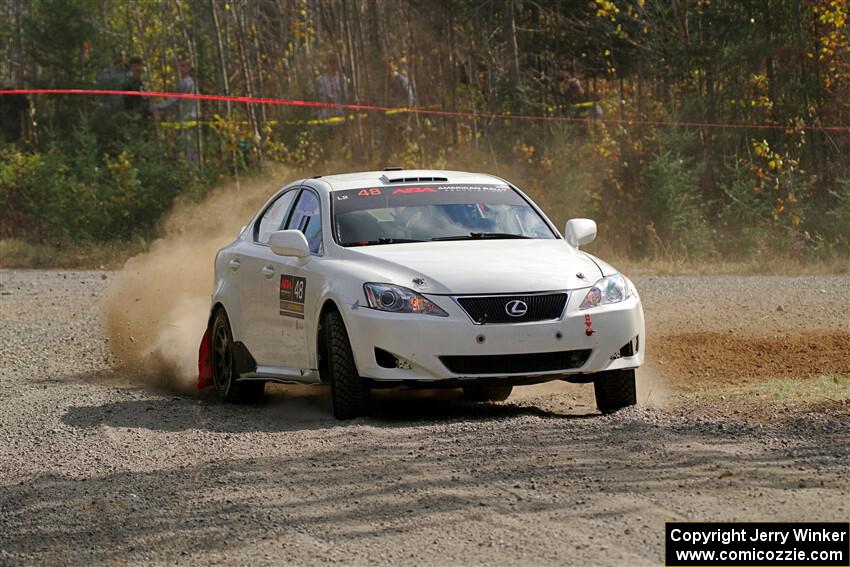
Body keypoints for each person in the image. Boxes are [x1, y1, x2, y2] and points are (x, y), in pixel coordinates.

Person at [155, 58, 200, 164]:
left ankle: (191, 168)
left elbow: (176, 100)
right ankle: (187, 168)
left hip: (187, 117)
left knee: (188, 145)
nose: (181, 68)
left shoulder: (187, 83)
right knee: (184, 144)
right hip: (183, 117)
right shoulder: (183, 82)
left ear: (189, 68)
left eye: (183, 66)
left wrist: (159, 106)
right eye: (180, 66)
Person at [315, 55, 344, 120]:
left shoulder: (342, 79)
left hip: (340, 113)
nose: (332, 64)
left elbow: (346, 97)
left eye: (334, 62)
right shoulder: (320, 80)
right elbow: (316, 97)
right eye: (330, 62)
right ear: (326, 64)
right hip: (325, 114)